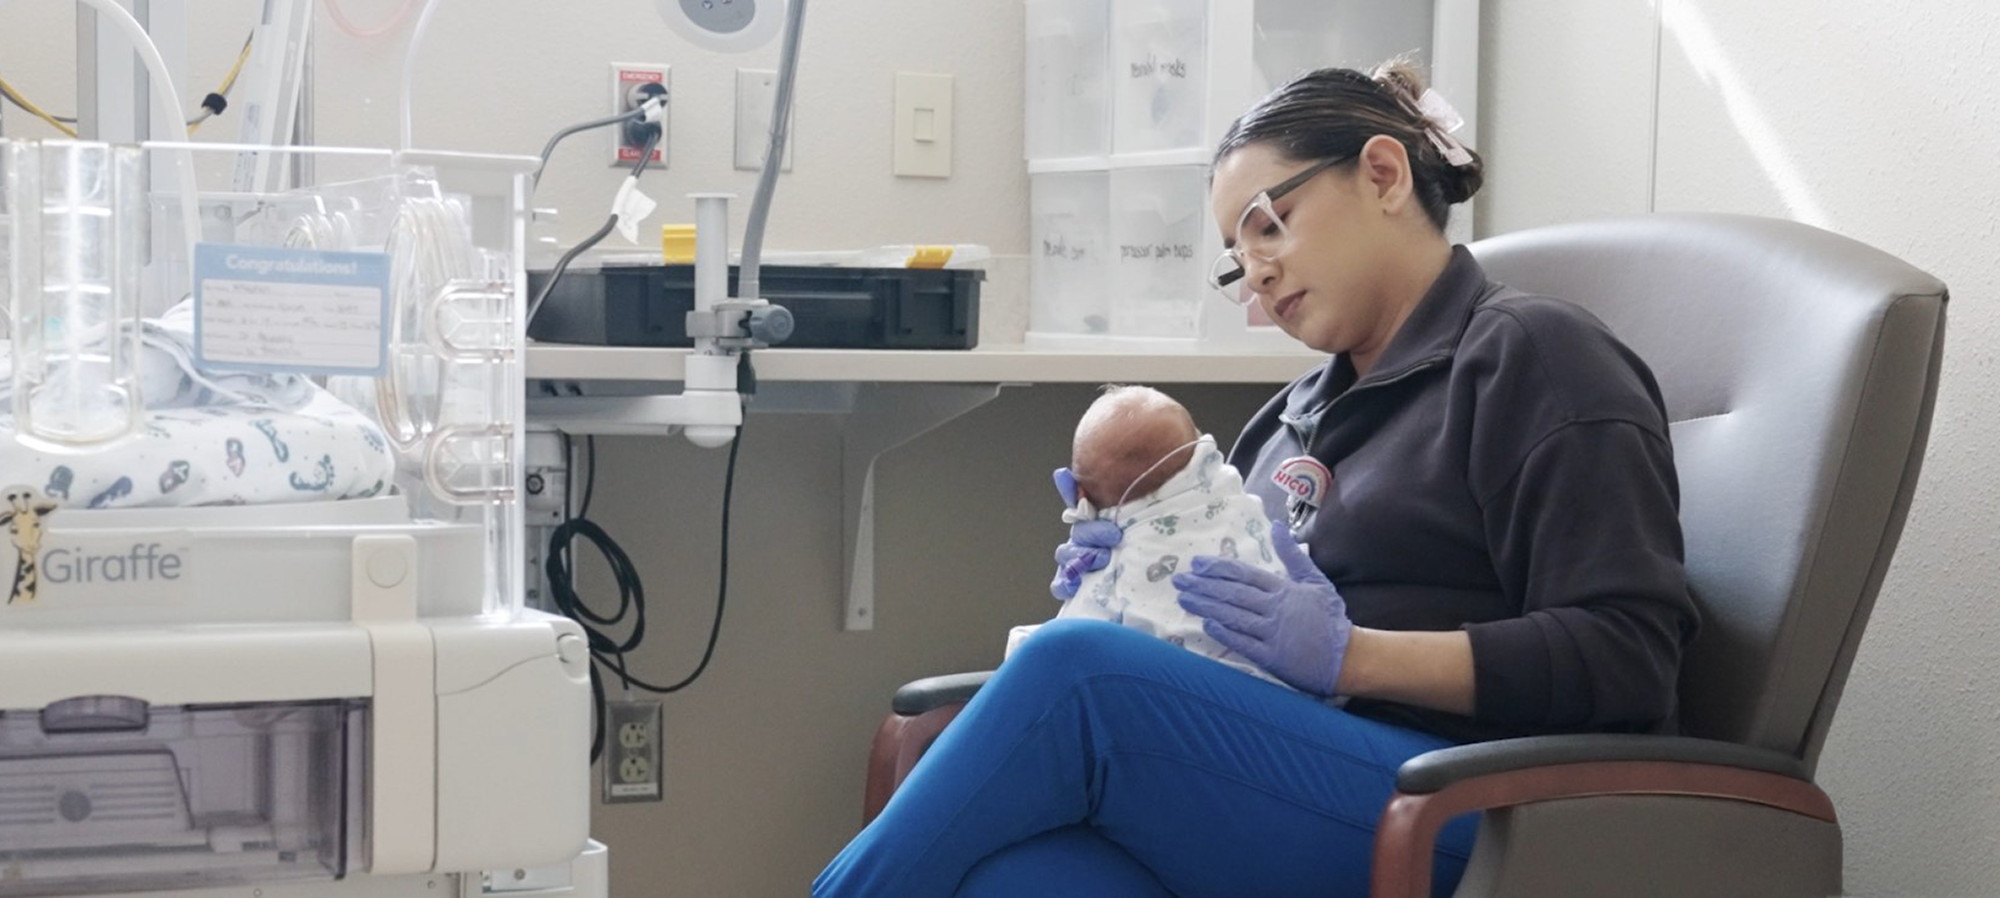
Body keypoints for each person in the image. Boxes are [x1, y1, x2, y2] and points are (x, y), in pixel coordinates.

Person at [815, 58, 1699, 898]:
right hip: (1301, 787)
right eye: (1238, 258)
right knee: (1004, 879)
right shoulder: (1285, 420)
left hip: (1472, 807)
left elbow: (1629, 658)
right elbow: (1232, 655)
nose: (1258, 273)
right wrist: (1131, 592)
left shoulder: (1530, 355)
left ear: (1384, 175)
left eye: (1268, 223)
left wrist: (1353, 656)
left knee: (1078, 676)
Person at [1003, 385, 1294, 689]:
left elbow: (1064, 658)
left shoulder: (1120, 569)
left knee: (1039, 650)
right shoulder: (1232, 494)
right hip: (1276, 686)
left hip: (1202, 698)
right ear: (1199, 452)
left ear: (1080, 493)